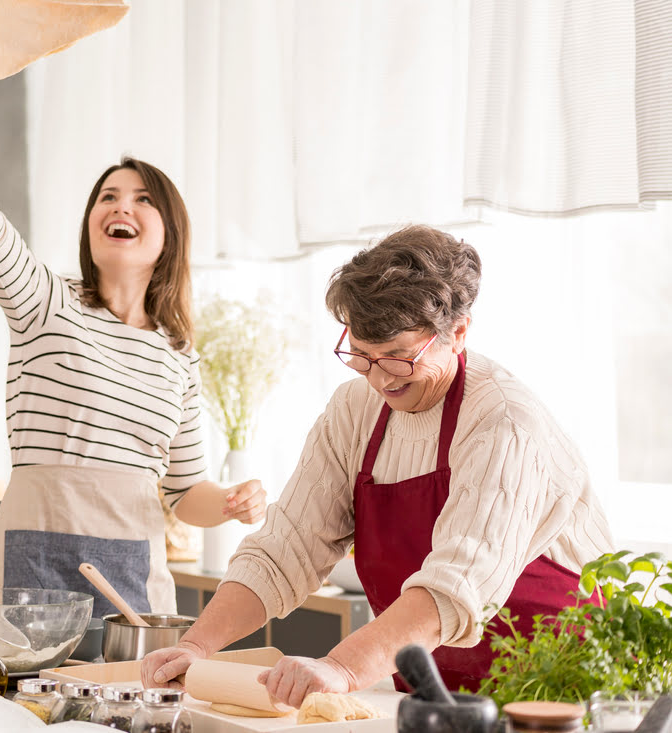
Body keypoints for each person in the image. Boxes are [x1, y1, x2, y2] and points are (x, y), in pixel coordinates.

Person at [141, 225, 614, 702]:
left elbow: (455, 587)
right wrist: (197, 647)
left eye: (398, 357)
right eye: (362, 356)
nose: (379, 378)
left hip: (557, 694)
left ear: (459, 332)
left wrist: (341, 669)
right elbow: (285, 549)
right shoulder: (353, 412)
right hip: (436, 694)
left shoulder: (504, 422)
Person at [0, 64, 267, 618]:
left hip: (132, 591)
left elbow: (187, 495)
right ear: (91, 224)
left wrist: (234, 502)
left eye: (143, 199)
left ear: (170, 235)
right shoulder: (45, 301)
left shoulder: (179, 356)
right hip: (28, 575)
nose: (121, 206)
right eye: (108, 197)